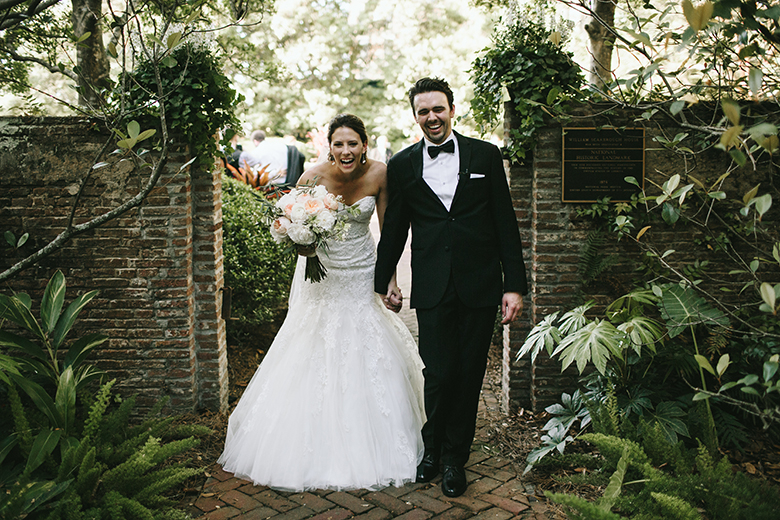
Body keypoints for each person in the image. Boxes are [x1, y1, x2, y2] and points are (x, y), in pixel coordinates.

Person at [217, 114, 426, 492]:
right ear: (329, 147)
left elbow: (389, 232)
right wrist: (301, 240)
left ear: (364, 145)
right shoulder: (310, 178)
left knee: (367, 341)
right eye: (338, 144)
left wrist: (390, 282)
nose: (346, 151)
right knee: (312, 340)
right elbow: (294, 232)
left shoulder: (380, 174)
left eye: (352, 143)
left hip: (362, 271)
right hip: (322, 274)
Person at [374, 77, 527, 498]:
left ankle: (455, 460)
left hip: (480, 283)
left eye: (438, 109)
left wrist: (513, 286)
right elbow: (395, 227)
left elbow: (505, 222)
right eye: (423, 111)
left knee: (468, 374)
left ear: (452, 110)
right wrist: (384, 280)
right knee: (437, 373)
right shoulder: (402, 164)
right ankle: (432, 449)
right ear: (415, 117)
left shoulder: (486, 155)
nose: (432, 117)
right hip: (432, 284)